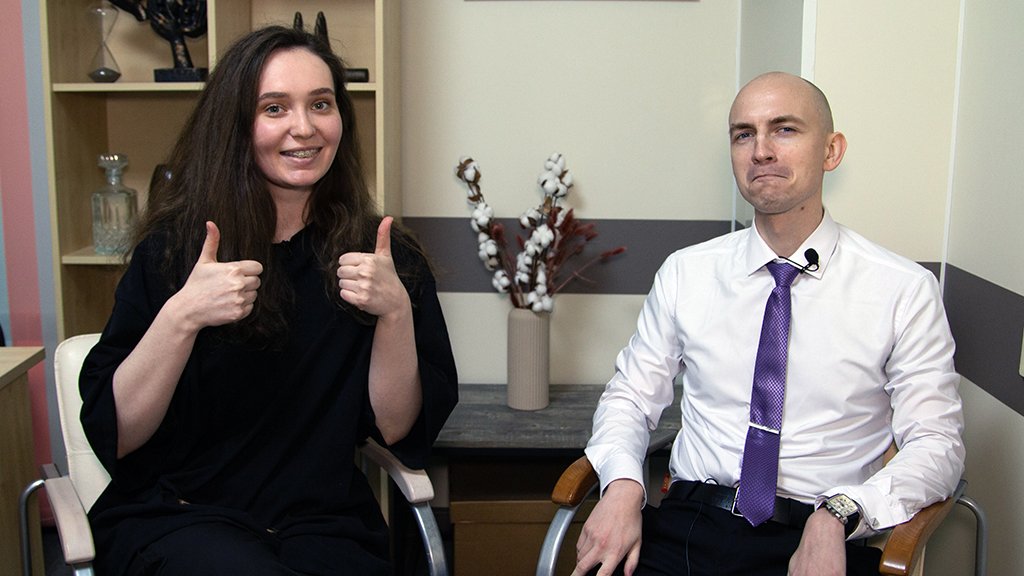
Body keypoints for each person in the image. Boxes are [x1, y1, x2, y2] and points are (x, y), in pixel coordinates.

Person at [79, 25, 458, 576]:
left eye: (321, 104)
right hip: (180, 518)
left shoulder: (382, 255)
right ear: (235, 124)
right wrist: (183, 315)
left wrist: (395, 313)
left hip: (322, 525)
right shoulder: (173, 250)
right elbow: (119, 432)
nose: (304, 127)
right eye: (274, 108)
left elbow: (397, 429)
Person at [573, 72, 964, 576]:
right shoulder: (686, 273)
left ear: (831, 151)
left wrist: (840, 513)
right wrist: (622, 485)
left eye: (784, 129)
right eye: (744, 134)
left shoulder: (902, 290)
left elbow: (937, 444)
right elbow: (630, 397)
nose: (760, 151)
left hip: (820, 534)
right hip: (690, 524)